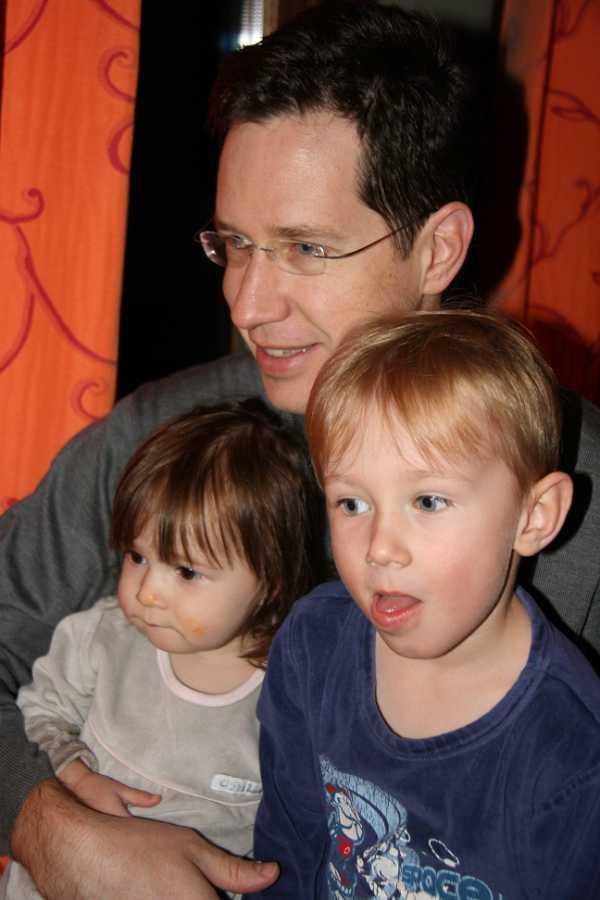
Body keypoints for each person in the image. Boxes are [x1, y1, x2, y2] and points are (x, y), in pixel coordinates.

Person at [1, 2, 599, 897]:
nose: (247, 304)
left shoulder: (580, 491)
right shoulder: (166, 437)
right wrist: (41, 822)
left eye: (306, 248)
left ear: (438, 249)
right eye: (235, 244)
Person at [249, 310, 600, 897]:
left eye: (429, 502)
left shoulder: (573, 754)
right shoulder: (313, 647)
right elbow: (286, 854)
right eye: (352, 504)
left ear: (533, 517)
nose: (380, 548)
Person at [0, 398, 328, 899]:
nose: (147, 592)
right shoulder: (101, 638)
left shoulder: (292, 692)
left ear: (270, 583)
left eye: (187, 571)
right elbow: (38, 714)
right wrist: (73, 773)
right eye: (137, 556)